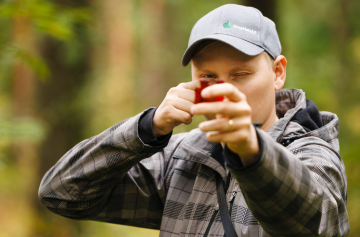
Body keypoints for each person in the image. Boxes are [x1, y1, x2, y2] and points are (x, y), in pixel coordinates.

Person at [38, 4, 349, 237]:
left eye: (240, 74)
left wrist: (251, 152)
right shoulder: (182, 156)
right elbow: (61, 193)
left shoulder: (314, 151)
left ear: (278, 72)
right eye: (208, 76)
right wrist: (147, 128)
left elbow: (311, 223)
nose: (225, 88)